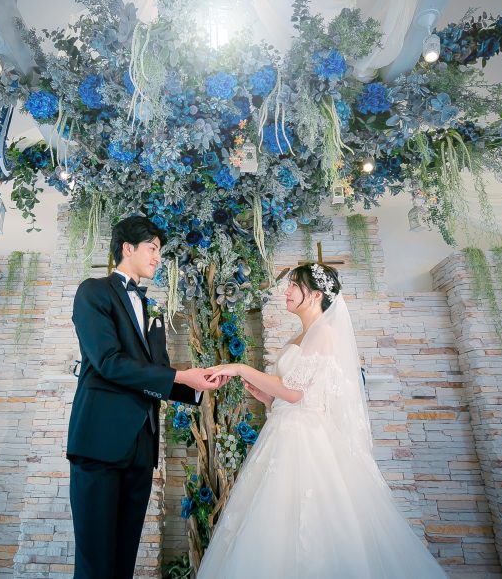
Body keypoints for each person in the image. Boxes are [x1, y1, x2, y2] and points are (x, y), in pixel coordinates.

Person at [198, 263, 449, 578]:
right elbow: (293, 393)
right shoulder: (301, 335)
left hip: (305, 438)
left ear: (316, 294)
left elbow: (294, 393)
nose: (287, 291)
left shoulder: (323, 333)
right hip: (285, 430)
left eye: (294, 285)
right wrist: (267, 398)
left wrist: (240, 368)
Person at [68, 216, 224, 579]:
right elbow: (108, 362)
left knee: (124, 561)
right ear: (128, 248)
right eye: (152, 249)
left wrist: (198, 384)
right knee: (95, 564)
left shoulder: (151, 309)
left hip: (141, 446)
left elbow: (156, 373)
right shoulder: (93, 292)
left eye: (159, 251)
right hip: (100, 443)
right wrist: (179, 376)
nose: (157, 257)